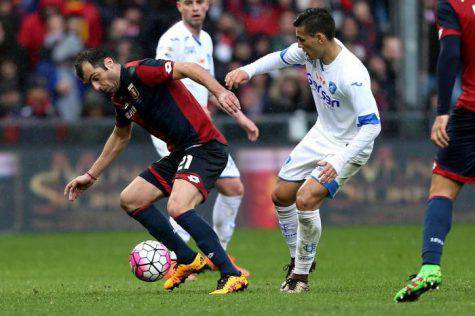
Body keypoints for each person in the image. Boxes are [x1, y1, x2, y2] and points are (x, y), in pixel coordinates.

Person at [64, 48, 256, 294]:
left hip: (204, 146)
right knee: (131, 199)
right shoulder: (119, 98)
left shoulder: (141, 71)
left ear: (109, 63)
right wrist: (91, 176)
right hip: (180, 153)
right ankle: (187, 259)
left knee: (178, 207)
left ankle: (232, 274)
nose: (96, 87)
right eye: (90, 83)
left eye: (96, 78)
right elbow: (121, 135)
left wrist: (219, 92)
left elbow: (189, 68)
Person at [226, 8, 381, 293]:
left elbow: (372, 126)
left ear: (320, 38)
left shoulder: (352, 74)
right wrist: (246, 71)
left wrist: (341, 159)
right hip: (322, 133)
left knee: (306, 199)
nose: (298, 45)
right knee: (280, 195)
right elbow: (278, 58)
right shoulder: (312, 52)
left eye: (302, 40)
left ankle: (300, 277)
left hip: (350, 145)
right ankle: (301, 258)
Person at [152, 0, 258, 277]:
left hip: (199, 130)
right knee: (185, 199)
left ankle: (217, 254)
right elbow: (158, 80)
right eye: (189, 3)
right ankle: (175, 260)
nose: (195, 8)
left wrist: (241, 118)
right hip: (174, 130)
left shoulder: (207, 40)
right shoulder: (171, 40)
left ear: (208, 5)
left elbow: (210, 86)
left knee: (233, 187)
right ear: (178, 6)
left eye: (200, 2)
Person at [394, 0, 475, 302]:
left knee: (443, 186)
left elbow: (450, 54)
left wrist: (442, 111)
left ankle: (430, 267)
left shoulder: (454, 5)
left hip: (471, 111)